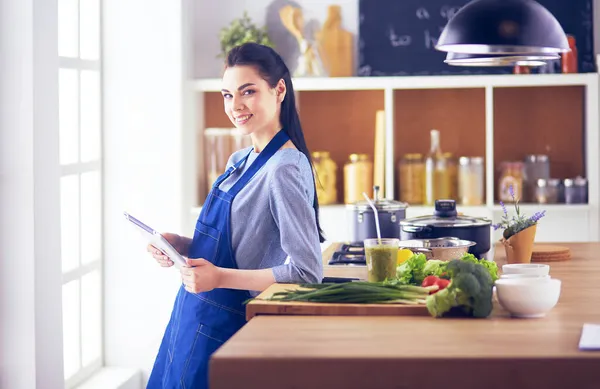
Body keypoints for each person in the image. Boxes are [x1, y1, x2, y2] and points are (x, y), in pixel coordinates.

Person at [145, 42, 325, 389]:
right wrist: (179, 244)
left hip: (226, 328)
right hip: (191, 315)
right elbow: (239, 244)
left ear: (280, 90)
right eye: (227, 95)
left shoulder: (283, 168)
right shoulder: (239, 161)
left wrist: (218, 278)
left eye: (248, 92)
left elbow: (306, 272)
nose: (236, 106)